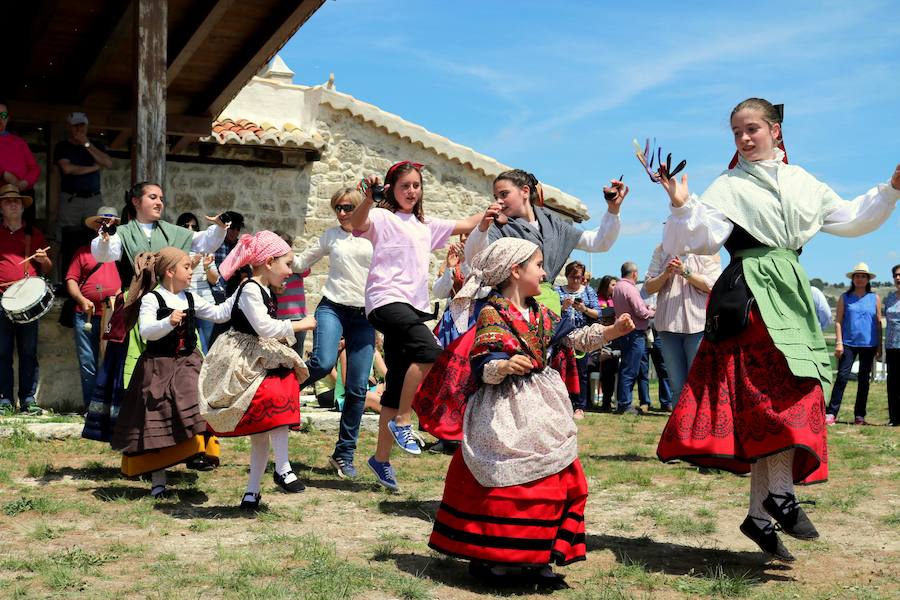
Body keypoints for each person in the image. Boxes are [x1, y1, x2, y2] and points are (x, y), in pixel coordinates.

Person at [655, 97, 900, 561]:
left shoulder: (801, 181)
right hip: (750, 292)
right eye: (736, 132)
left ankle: (761, 515)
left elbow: (850, 218)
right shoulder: (729, 184)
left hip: (789, 289)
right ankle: (780, 497)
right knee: (779, 393)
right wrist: (683, 205)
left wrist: (889, 190)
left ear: (775, 130)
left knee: (791, 388)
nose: (744, 138)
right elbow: (702, 237)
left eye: (752, 129)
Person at [427, 238, 634, 587]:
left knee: (556, 477)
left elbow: (575, 339)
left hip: (543, 404)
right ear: (515, 271)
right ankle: (498, 558)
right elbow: (483, 364)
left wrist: (612, 330)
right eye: (538, 265)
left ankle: (538, 556)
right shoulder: (492, 312)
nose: (543, 271)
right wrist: (505, 365)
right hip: (503, 407)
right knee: (507, 481)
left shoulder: (541, 312)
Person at [351, 161, 484, 491]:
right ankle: (404, 421)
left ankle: (380, 460)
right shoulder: (382, 217)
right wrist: (369, 197)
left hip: (413, 307)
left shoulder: (426, 225)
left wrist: (496, 208)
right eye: (405, 186)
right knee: (429, 351)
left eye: (416, 185)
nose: (412, 191)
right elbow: (357, 222)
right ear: (392, 189)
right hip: (385, 300)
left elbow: (468, 222)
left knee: (395, 385)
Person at [83, 182, 227, 442]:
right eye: (153, 197)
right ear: (136, 202)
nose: (160, 202)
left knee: (186, 371)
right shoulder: (123, 233)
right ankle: (133, 438)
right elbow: (104, 254)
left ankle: (186, 438)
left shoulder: (174, 232)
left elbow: (205, 241)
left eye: (161, 197)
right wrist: (104, 238)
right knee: (135, 375)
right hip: (135, 307)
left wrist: (219, 227)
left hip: (173, 306)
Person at [198, 231, 316, 510]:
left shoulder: (254, 288)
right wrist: (301, 324)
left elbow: (220, 313)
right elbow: (265, 328)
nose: (290, 271)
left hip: (257, 354)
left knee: (262, 431)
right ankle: (283, 467)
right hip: (246, 358)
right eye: (287, 264)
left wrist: (192, 304)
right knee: (278, 394)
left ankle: (252, 492)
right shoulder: (250, 288)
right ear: (269, 262)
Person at [111, 248, 235, 497]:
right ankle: (158, 482)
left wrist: (243, 291)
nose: (191, 271)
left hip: (188, 362)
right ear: (170, 271)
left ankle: (197, 452)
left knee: (194, 396)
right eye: (187, 267)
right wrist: (167, 322)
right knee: (156, 422)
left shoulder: (190, 298)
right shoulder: (152, 299)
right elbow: (146, 331)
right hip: (158, 366)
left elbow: (220, 314)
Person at [291, 187, 375, 480]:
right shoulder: (330, 236)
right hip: (332, 307)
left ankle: (344, 454)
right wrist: (278, 255)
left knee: (357, 387)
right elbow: (301, 262)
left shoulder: (375, 234)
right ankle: (284, 391)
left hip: (365, 316)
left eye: (348, 207)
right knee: (324, 362)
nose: (342, 213)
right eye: (337, 207)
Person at [465, 169, 626, 314]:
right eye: (496, 197)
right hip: (512, 309)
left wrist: (613, 210)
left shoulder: (553, 223)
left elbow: (598, 242)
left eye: (504, 194)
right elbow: (477, 259)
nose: (499, 201)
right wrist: (482, 227)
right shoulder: (498, 227)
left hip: (549, 307)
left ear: (525, 191)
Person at [643, 244, 720, 403]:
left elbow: (712, 285)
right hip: (667, 327)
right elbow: (649, 287)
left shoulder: (707, 248)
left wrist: (685, 271)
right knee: (677, 387)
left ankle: (699, 426)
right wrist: (666, 273)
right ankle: (681, 426)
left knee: (698, 384)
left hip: (697, 326)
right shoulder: (661, 249)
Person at [0, 185, 51, 414]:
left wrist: (44, 259)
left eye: (17, 201)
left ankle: (28, 399)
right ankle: (4, 400)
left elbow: (48, 268)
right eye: (8, 201)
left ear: (22, 207)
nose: (13, 204)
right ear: (1, 207)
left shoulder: (33, 234)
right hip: (1, 300)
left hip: (27, 302)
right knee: (2, 351)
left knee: (28, 351)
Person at [66, 206, 122, 409]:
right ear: (96, 226)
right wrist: (81, 299)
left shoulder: (120, 250)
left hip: (113, 314)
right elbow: (71, 280)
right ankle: (93, 407)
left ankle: (111, 406)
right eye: (101, 222)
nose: (105, 226)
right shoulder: (83, 251)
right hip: (86, 314)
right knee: (88, 363)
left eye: (110, 222)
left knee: (112, 361)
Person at [55, 112, 113, 277]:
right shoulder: (63, 146)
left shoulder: (96, 145)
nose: (79, 129)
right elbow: (68, 169)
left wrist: (87, 144)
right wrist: (95, 167)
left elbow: (108, 162)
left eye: (82, 125)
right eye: (75, 125)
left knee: (95, 238)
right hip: (71, 200)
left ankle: (92, 278)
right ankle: (61, 279)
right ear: (69, 127)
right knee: (64, 239)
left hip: (93, 199)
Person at [826, 263, 882, 426]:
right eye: (857, 276)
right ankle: (831, 413)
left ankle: (859, 416)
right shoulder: (844, 297)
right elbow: (838, 322)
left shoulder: (875, 298)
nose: (860, 278)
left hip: (869, 345)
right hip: (848, 344)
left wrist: (879, 346)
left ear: (867, 279)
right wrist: (839, 342)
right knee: (842, 377)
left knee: (864, 380)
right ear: (853, 279)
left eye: (863, 276)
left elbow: (878, 323)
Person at [555, 260, 600, 419]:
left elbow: (598, 313)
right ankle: (564, 404)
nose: (576, 281)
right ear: (567, 276)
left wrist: (584, 309)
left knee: (582, 371)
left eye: (579, 277)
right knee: (562, 370)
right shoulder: (557, 291)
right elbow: (551, 314)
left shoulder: (588, 291)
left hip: (582, 336)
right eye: (573, 277)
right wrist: (563, 308)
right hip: (563, 337)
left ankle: (580, 406)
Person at [610, 261, 656, 415]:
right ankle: (625, 404)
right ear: (635, 274)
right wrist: (653, 312)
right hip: (635, 333)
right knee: (630, 369)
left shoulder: (617, 287)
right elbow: (640, 311)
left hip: (624, 331)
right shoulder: (630, 288)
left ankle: (623, 402)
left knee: (626, 367)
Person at [175, 212, 220, 352]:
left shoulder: (205, 249)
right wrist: (192, 266)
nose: (190, 229)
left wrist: (206, 266)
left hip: (206, 302)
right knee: (193, 346)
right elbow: (177, 279)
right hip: (186, 304)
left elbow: (214, 280)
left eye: (193, 226)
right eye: (186, 226)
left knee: (208, 344)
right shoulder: (176, 251)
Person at [0, 99, 40, 223]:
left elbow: (34, 168)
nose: (0, 118)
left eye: (3, 115)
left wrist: (25, 182)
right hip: (2, 194)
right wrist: (4, 173)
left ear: (8, 118)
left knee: (26, 234)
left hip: (23, 193)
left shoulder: (19, 142)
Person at [272, 231, 311, 355]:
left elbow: (305, 270)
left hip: (298, 317)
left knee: (296, 355)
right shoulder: (271, 265)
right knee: (278, 355)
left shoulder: (295, 263)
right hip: (279, 318)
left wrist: (289, 257)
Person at [885, 264, 900, 426]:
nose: (898, 277)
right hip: (891, 345)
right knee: (893, 382)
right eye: (895, 275)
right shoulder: (889, 298)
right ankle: (894, 418)